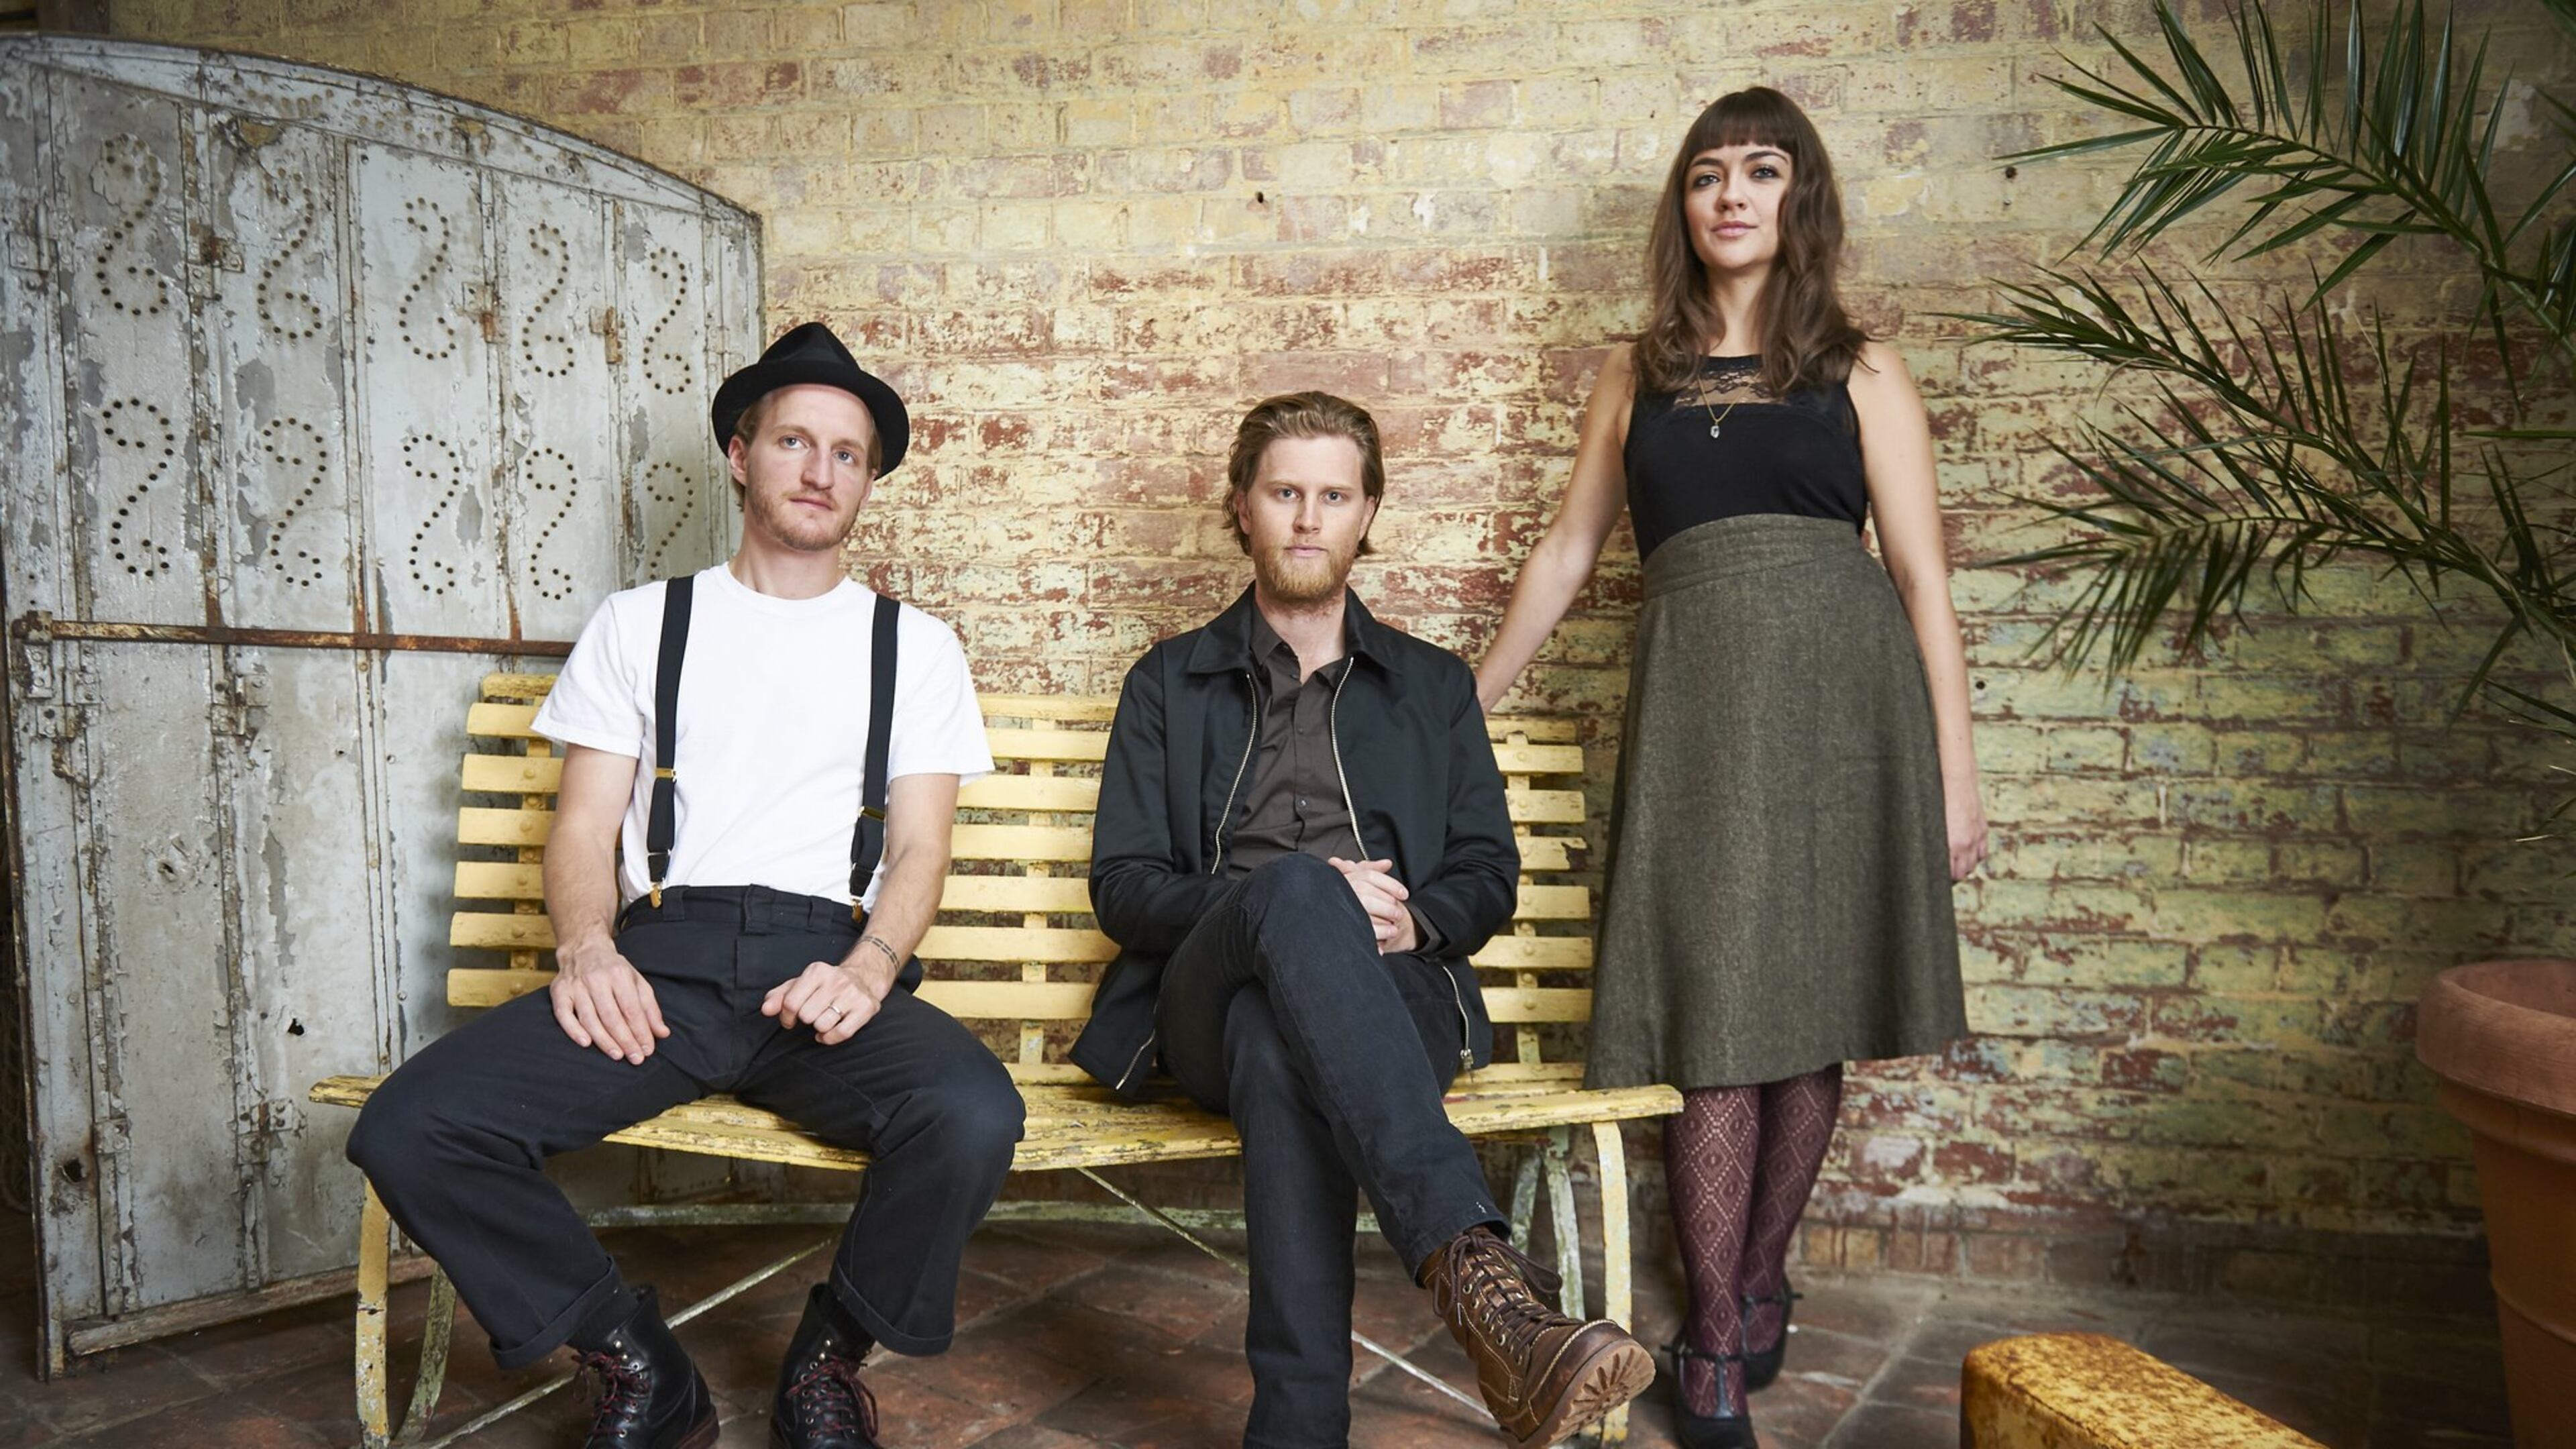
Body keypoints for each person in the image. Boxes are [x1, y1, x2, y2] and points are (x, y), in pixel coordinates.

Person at [347, 322, 1024, 1449]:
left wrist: (869, 966)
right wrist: (589, 948)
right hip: (663, 971)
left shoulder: (917, 648)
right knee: (414, 1125)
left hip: (828, 974)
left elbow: (920, 851)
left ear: (867, 481)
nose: (821, 471)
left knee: (969, 1112)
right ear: (739, 453)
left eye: (847, 454)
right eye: (796, 441)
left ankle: (827, 1359)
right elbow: (582, 829)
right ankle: (635, 1362)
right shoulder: (641, 625)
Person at [1472, 89, 1986, 1448]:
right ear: (1685, 208)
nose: (1734, 196)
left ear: (1798, 197)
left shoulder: (1863, 370)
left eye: (1762, 172)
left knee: (1808, 1018)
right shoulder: (1632, 370)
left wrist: (1955, 772)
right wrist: (1467, 698)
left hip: (1845, 711)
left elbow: (1927, 583)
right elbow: (1571, 551)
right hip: (1700, 707)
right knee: (1717, 1022)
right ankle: (1708, 1342)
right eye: (1708, 176)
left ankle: (1757, 1285)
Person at [1073, 392, 1656, 1449]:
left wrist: (1409, 927)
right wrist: (1284, 898)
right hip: (1199, 997)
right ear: (1242, 508)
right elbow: (1121, 885)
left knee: (1278, 1041)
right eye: (1284, 492)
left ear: (1367, 512)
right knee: (1297, 895)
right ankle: (1492, 1295)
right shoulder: (1167, 682)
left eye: (1332, 495)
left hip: (1394, 996)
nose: (1307, 517)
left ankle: (1299, 1427)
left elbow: (1486, 873)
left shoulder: (1432, 686)